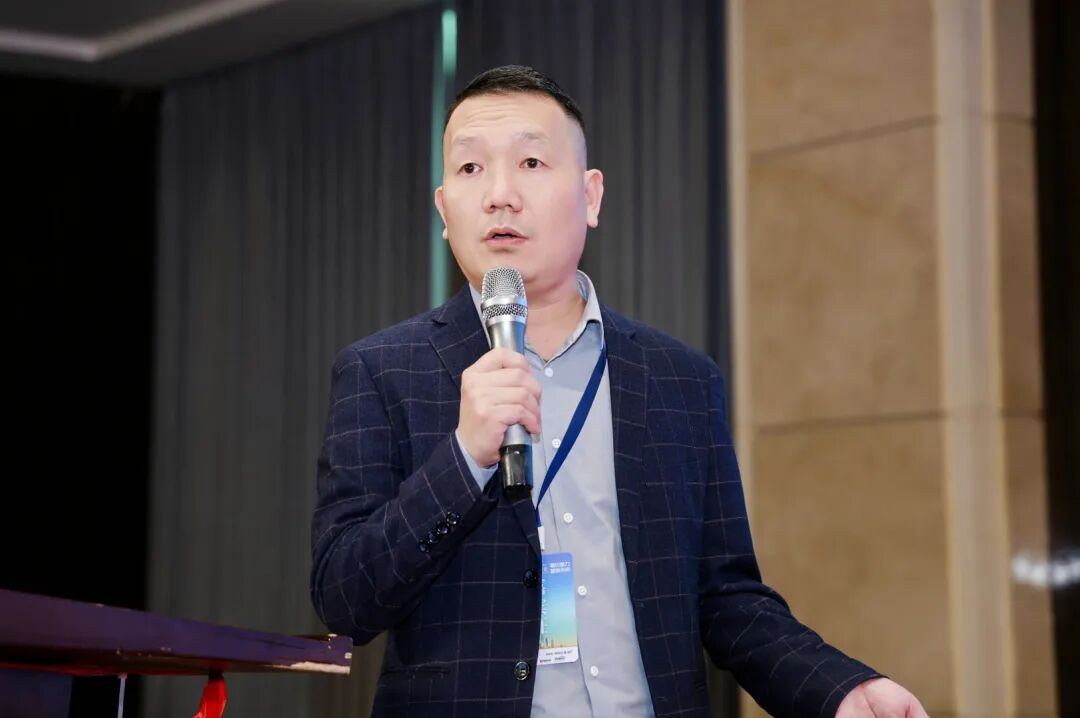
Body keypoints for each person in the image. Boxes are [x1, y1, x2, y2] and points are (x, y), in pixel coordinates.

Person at [310, 65, 929, 718]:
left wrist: (840, 688)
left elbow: (728, 600)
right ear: (444, 211)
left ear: (591, 196)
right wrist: (463, 458)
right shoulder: (382, 371)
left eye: (530, 162)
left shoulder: (680, 380)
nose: (499, 195)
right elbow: (342, 598)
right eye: (470, 168)